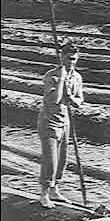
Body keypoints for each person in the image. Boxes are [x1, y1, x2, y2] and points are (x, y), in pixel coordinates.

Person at [38, 41, 84, 208]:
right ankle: (43, 194)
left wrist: (71, 97)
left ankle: (54, 189)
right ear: (61, 58)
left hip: (65, 122)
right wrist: (62, 79)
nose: (72, 62)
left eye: (75, 59)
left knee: (62, 159)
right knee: (51, 159)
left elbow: (80, 102)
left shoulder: (77, 77)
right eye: (69, 59)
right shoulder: (51, 75)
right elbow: (54, 100)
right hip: (48, 121)